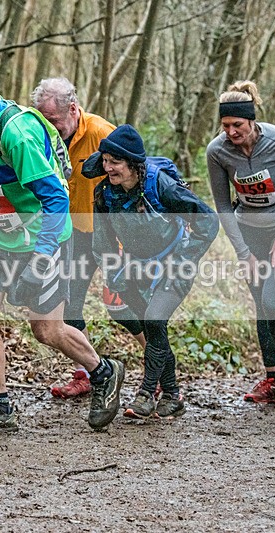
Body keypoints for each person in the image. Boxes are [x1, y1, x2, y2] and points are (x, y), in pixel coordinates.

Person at [0, 59, 125, 434]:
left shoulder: (17, 135)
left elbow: (56, 199)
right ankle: (0, 406)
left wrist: (41, 258)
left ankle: (104, 371)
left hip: (43, 235)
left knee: (47, 330)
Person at [84, 124, 219, 419]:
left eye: (115, 162)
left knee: (155, 320)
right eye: (104, 161)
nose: (108, 168)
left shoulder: (161, 186)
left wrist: (183, 260)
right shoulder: (104, 193)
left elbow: (208, 221)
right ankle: (171, 395)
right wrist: (113, 272)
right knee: (152, 328)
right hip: (135, 264)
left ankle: (146, 393)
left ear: (133, 164)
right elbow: (103, 241)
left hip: (175, 260)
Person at [31, 77, 147, 399]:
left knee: (123, 307)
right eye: (42, 120)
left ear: (73, 109)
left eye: (53, 120)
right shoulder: (40, 136)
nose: (49, 127)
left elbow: (135, 179)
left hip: (110, 234)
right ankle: (85, 374)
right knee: (70, 309)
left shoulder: (100, 132)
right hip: (74, 236)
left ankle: (160, 368)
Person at [206, 80, 275, 404]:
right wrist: (243, 252)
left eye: (237, 124)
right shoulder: (217, 151)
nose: (231, 132)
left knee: (273, 299)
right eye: (225, 125)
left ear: (251, 119)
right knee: (260, 304)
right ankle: (270, 377)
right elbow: (223, 205)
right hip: (249, 232)